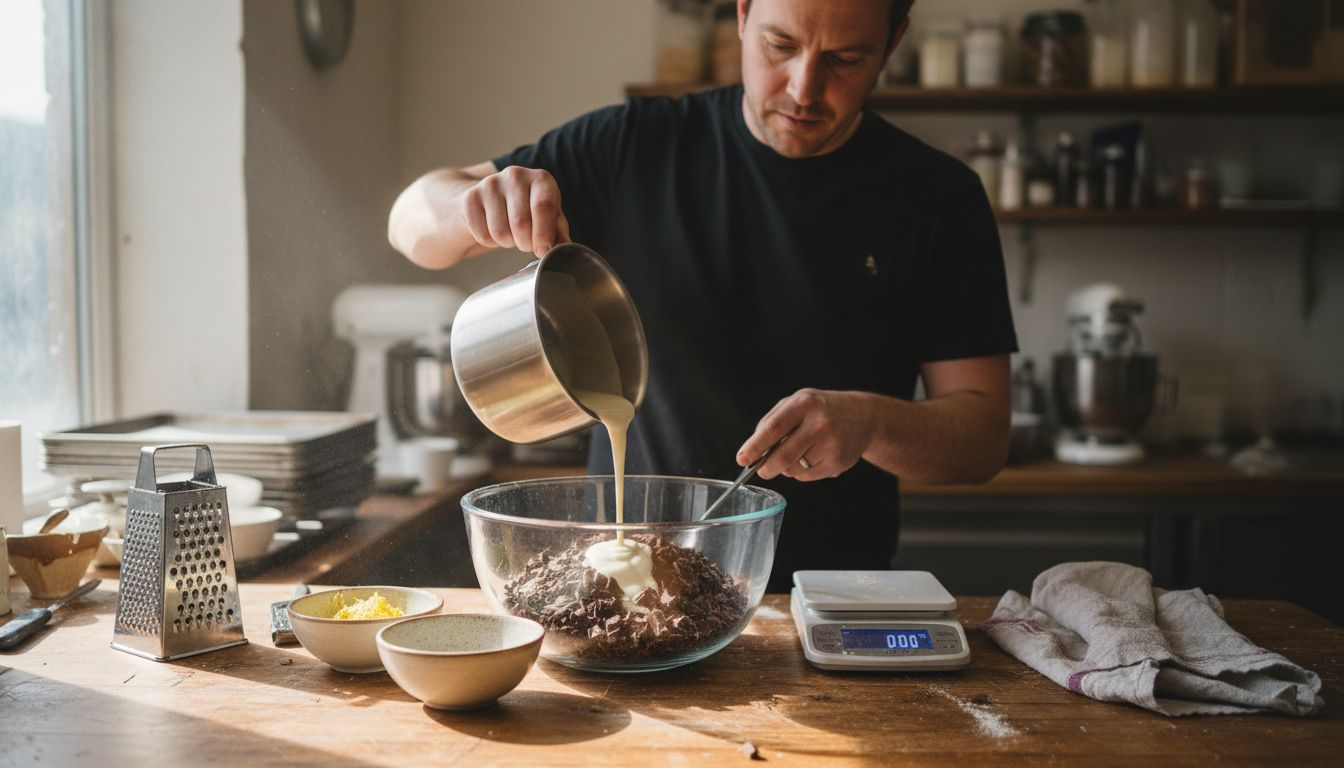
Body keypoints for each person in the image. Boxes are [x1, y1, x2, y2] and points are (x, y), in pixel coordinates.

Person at [388, 0, 1016, 591]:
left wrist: (874, 421)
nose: (803, 87)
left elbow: (982, 440)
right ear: (743, 14)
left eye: (845, 59)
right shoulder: (633, 147)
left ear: (892, 44)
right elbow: (410, 222)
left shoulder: (940, 199)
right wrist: (474, 206)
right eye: (781, 44)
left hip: (826, 597)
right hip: (619, 590)